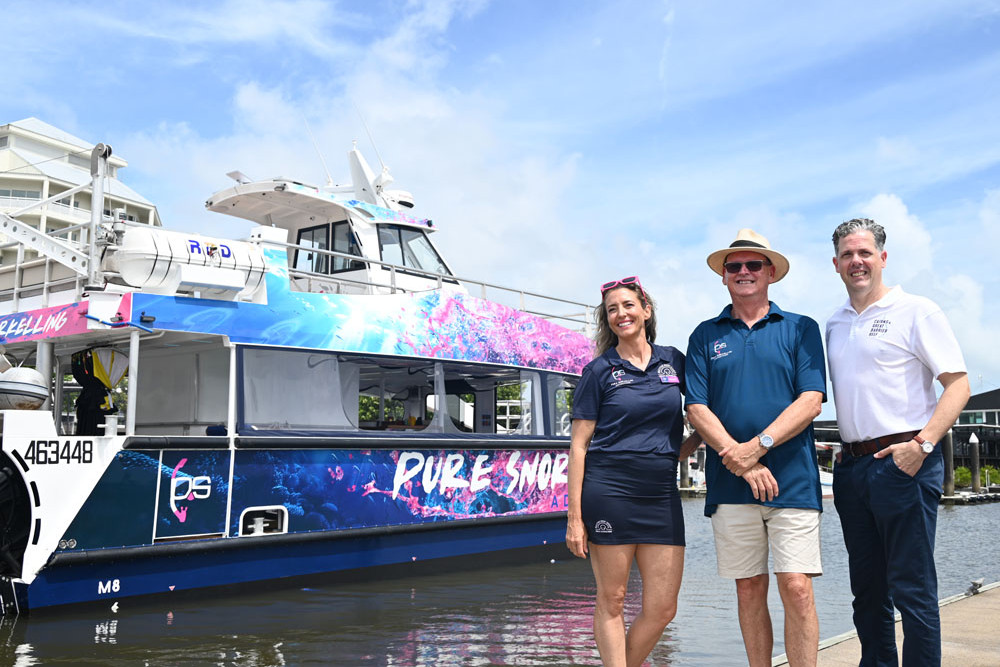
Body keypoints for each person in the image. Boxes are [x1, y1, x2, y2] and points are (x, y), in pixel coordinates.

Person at [826, 218, 970, 666]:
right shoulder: (834, 323)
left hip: (903, 463)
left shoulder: (916, 310)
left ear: (882, 258)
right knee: (867, 594)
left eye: (865, 253)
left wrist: (922, 445)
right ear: (835, 264)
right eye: (848, 254)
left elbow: (959, 385)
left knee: (912, 588)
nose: (857, 261)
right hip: (851, 470)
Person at [685, 229, 826, 667]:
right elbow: (696, 408)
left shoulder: (802, 328)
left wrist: (759, 446)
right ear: (723, 277)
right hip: (730, 484)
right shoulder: (705, 335)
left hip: (794, 479)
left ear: (770, 273)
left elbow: (811, 400)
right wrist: (742, 461)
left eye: (753, 265)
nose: (743, 272)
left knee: (797, 587)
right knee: (748, 588)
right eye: (734, 266)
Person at [566, 276, 700, 667]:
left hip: (661, 496)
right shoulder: (599, 371)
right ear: (607, 321)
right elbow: (578, 447)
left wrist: (690, 446)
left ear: (646, 309)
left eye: (627, 305)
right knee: (614, 599)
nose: (620, 314)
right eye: (612, 310)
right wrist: (575, 518)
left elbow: (701, 411)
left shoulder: (674, 361)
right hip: (609, 493)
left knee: (662, 609)